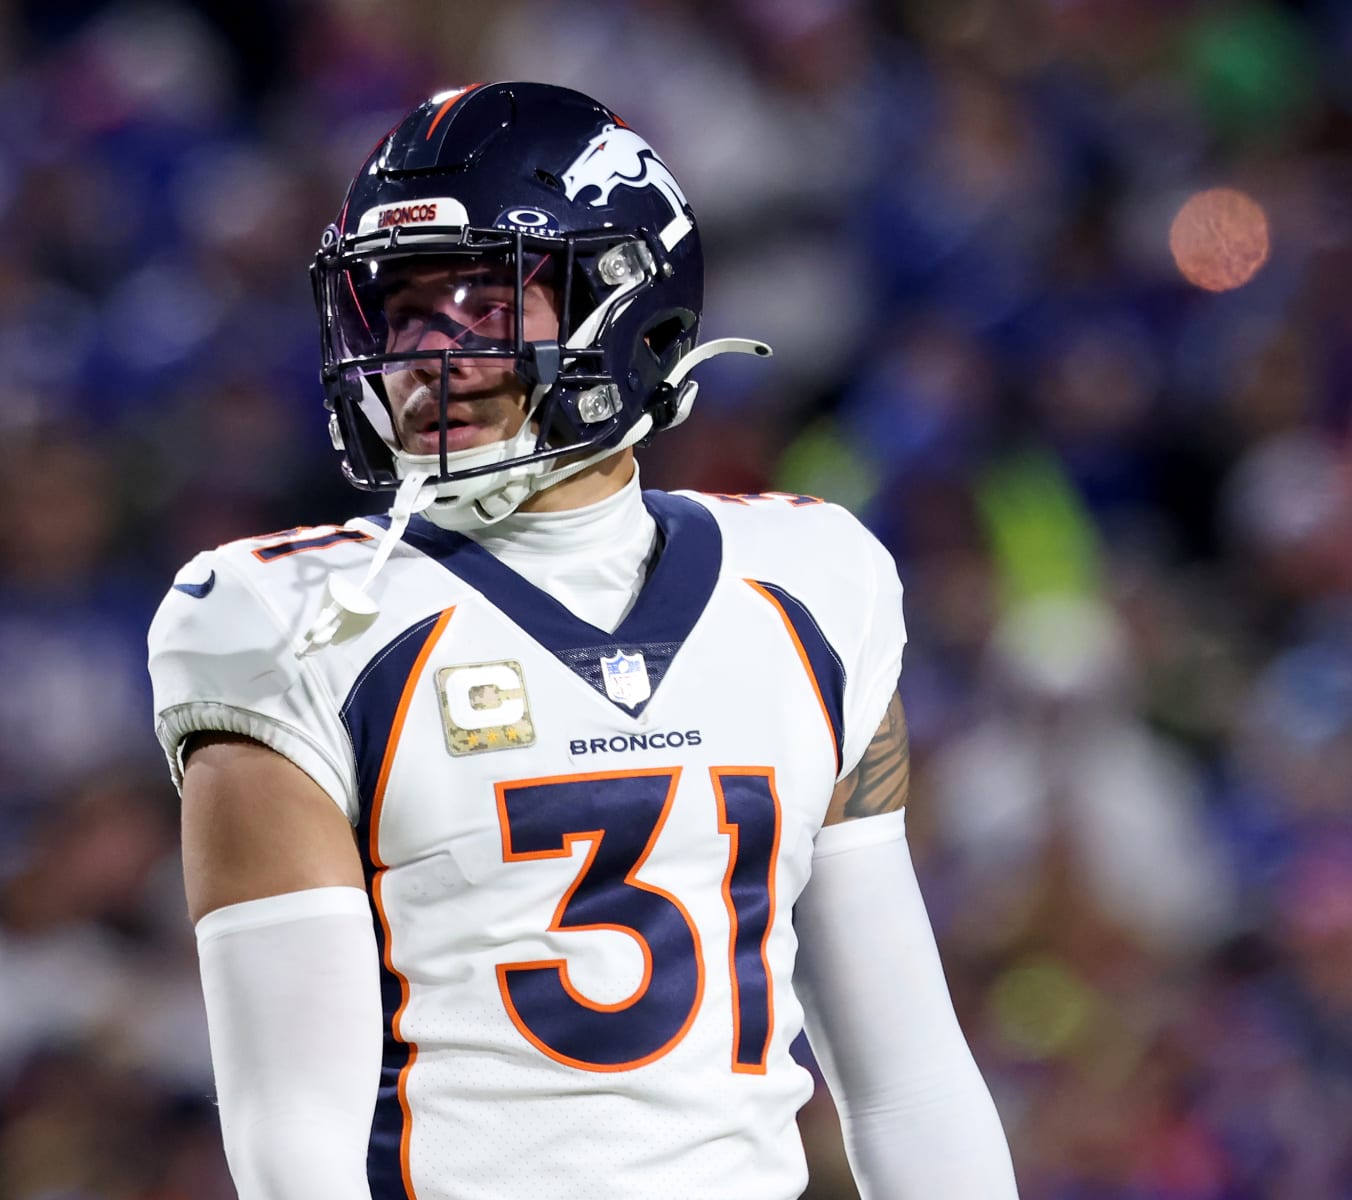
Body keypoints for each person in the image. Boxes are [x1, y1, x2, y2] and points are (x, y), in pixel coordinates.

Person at [148, 81, 1018, 1200]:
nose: (426, 351)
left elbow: (907, 1078)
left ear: (626, 298)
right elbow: (293, 1143)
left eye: (479, 295)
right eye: (397, 306)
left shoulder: (811, 581)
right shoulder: (290, 620)